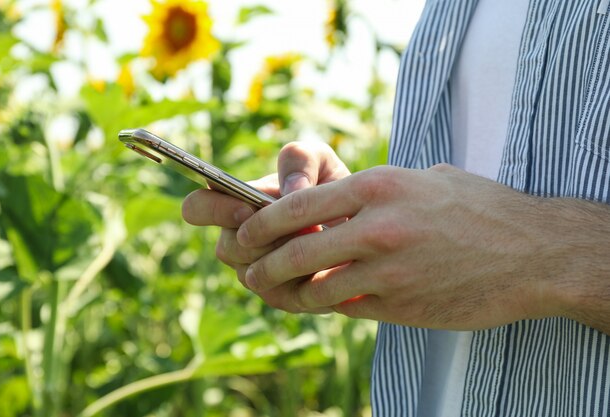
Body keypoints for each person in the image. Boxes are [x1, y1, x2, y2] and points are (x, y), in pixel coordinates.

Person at [182, 0, 610, 415]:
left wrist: (542, 254)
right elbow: (455, 209)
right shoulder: (444, 13)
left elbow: (489, 229)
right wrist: (347, 225)